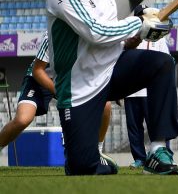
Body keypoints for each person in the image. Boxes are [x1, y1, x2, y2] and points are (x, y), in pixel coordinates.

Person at [45, 0, 178, 175]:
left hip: (112, 68)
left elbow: (108, 31)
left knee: (162, 63)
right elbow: (96, 31)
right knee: (82, 169)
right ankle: (96, 162)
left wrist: (128, 41)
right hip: (79, 85)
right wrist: (139, 23)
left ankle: (158, 150)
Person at [0, 34, 113, 165]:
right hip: (39, 79)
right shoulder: (52, 36)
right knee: (22, 120)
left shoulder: (87, 34)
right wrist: (60, 92)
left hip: (69, 79)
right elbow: (38, 71)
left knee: (106, 104)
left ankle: (97, 151)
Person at [122, 4, 173, 169]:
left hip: (150, 91)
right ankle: (139, 159)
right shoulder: (128, 37)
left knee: (157, 124)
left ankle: (163, 155)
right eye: (141, 16)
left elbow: (166, 59)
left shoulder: (158, 37)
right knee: (134, 128)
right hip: (131, 91)